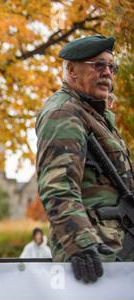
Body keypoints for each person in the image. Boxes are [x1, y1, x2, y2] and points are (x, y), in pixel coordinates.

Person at [36, 35, 134, 283]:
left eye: (112, 67)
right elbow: (58, 186)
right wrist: (81, 243)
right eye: (98, 65)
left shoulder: (93, 114)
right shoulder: (64, 112)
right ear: (71, 70)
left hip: (114, 251)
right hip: (92, 257)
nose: (107, 73)